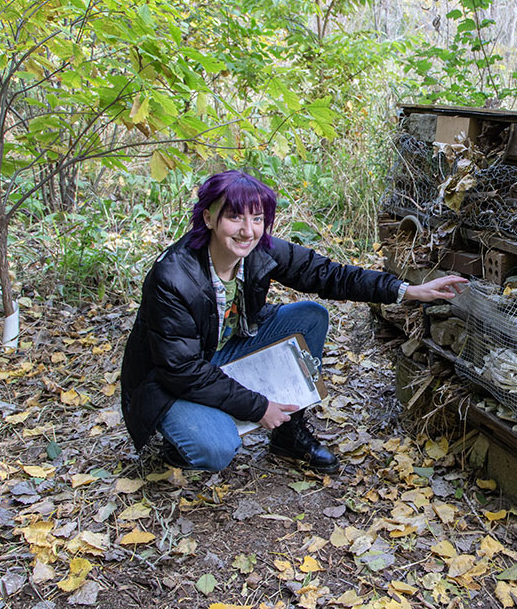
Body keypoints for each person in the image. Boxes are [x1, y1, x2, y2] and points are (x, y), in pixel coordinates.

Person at [120, 170, 466, 474]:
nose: (247, 230)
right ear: (208, 218)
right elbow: (181, 370)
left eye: (257, 218)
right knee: (216, 450)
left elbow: (329, 275)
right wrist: (259, 407)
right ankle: (180, 439)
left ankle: (288, 434)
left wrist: (407, 290)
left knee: (309, 317)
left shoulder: (261, 249)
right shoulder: (173, 277)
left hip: (222, 354)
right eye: (234, 218)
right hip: (170, 380)